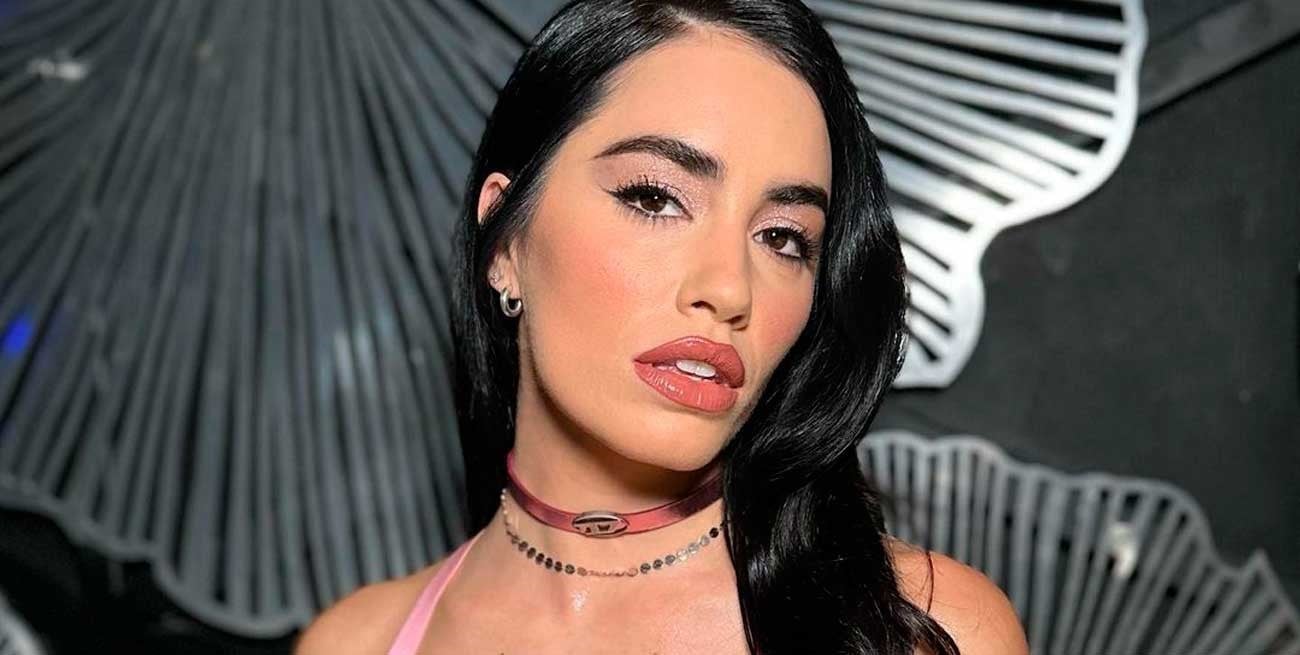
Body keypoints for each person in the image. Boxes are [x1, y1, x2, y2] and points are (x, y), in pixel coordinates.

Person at [296, 1, 1028, 653]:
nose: (728, 289)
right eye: (655, 198)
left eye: (782, 237)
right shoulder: (358, 641)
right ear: (506, 241)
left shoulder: (922, 628)